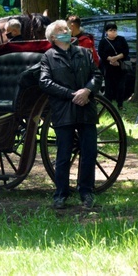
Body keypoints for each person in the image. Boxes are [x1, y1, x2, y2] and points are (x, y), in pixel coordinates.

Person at [39, 20, 102, 210]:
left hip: (86, 108)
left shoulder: (84, 53)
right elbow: (45, 82)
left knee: (89, 152)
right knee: (63, 154)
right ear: (53, 37)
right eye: (61, 30)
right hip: (63, 110)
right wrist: (71, 94)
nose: (66, 31)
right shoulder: (48, 57)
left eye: (66, 28)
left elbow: (97, 75)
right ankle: (61, 194)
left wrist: (87, 91)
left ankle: (86, 191)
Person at [97, 22, 129, 112]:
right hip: (108, 67)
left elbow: (126, 51)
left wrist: (116, 58)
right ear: (107, 31)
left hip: (120, 67)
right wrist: (110, 59)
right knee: (108, 87)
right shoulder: (103, 41)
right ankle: (108, 105)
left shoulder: (121, 39)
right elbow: (101, 52)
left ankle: (120, 104)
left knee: (121, 87)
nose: (113, 32)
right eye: (110, 30)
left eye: (114, 30)